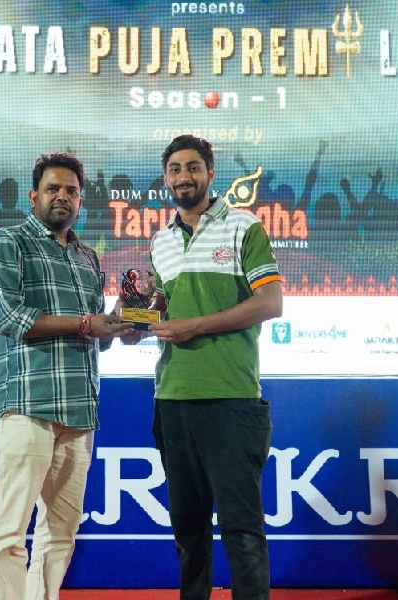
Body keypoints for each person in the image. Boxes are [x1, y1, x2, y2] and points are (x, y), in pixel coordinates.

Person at [0, 153, 130, 600]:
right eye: (53, 189)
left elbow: (97, 337)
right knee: (9, 531)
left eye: (71, 191)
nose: (62, 196)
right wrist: (86, 323)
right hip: (26, 405)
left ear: (81, 200)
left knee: (60, 533)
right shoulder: (8, 242)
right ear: (34, 196)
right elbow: (8, 317)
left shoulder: (87, 257)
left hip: (79, 411)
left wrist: (123, 320)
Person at [144, 135, 283, 600]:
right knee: (187, 528)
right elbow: (161, 309)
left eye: (192, 167)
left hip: (231, 398)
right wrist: (132, 320)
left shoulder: (243, 227)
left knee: (242, 529)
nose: (183, 177)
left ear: (210, 173)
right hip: (172, 398)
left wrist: (196, 326)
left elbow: (271, 302)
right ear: (166, 178)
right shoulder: (161, 241)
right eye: (174, 169)